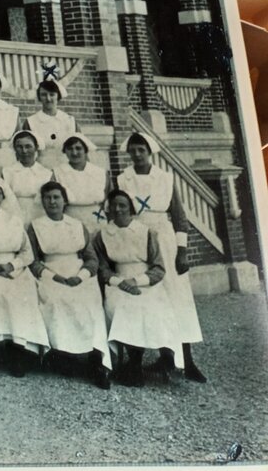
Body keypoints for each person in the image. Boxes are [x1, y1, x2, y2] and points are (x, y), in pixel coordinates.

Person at [115, 132, 205, 382]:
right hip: (137, 240)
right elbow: (120, 211)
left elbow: (178, 215)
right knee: (143, 297)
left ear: (150, 150)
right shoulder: (123, 179)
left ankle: (184, 360)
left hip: (165, 241)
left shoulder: (165, 178)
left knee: (177, 298)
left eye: (141, 149)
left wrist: (182, 251)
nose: (137, 154)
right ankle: (135, 362)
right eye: (132, 150)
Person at [27, 181, 111, 389]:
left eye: (57, 197)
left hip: (78, 273)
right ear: (43, 201)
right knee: (56, 301)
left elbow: (91, 258)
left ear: (64, 201)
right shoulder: (36, 226)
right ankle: (62, 354)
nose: (52, 202)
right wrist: (52, 276)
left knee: (89, 302)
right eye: (48, 198)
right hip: (51, 274)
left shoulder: (77, 225)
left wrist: (81, 276)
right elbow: (33, 260)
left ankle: (96, 357)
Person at [93, 190, 180, 387]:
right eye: (114, 205)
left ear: (131, 208)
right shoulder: (103, 234)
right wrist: (119, 282)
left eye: (123, 205)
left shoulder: (146, 232)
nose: (118, 209)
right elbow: (102, 268)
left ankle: (165, 359)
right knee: (122, 307)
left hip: (146, 281)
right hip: (117, 282)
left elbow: (158, 268)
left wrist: (137, 281)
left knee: (152, 307)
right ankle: (134, 364)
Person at [0, 180, 49, 377]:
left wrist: (12, 266)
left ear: (4, 197)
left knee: (26, 292)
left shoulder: (13, 220)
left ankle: (22, 348)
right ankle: (4, 347)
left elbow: (27, 253)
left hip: (15, 269)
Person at [52, 133, 110, 233]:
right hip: (70, 219)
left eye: (78, 148)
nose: (74, 152)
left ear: (85, 150)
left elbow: (109, 199)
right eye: (70, 149)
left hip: (97, 219)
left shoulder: (100, 172)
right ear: (65, 151)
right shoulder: (57, 173)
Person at [23, 80, 77, 171]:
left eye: (52, 94)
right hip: (41, 168)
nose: (48, 98)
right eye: (44, 95)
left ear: (58, 96)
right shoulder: (31, 122)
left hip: (67, 169)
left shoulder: (69, 120)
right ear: (39, 97)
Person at [2, 130, 53, 227]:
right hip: (13, 216)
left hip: (39, 215)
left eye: (28, 146)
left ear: (36, 147)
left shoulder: (46, 173)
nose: (24, 151)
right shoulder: (7, 172)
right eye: (19, 147)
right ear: (15, 149)